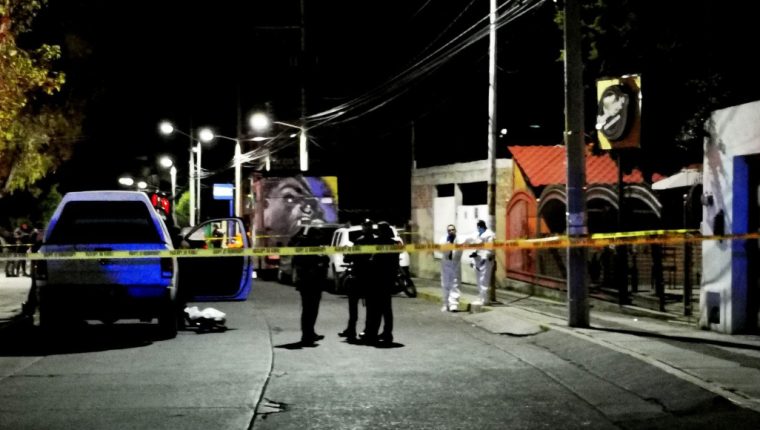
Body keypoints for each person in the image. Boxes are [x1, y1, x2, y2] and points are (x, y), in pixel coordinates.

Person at [361, 221, 399, 345]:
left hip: (377, 281)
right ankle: (387, 333)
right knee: (386, 309)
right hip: (387, 280)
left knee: (375, 309)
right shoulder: (394, 244)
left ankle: (373, 334)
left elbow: (373, 261)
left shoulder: (378, 243)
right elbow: (395, 264)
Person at [338, 218, 376, 342]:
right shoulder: (376, 241)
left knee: (353, 305)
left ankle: (352, 330)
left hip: (358, 276)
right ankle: (367, 330)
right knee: (370, 307)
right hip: (371, 277)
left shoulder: (359, 241)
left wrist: (347, 255)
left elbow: (349, 258)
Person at [292, 228, 329, 346]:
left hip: (314, 283)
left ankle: (310, 333)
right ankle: (306, 335)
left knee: (312, 310)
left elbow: (325, 260)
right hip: (308, 283)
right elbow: (298, 263)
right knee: (309, 310)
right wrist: (317, 263)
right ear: (314, 236)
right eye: (318, 237)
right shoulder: (304, 246)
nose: (320, 239)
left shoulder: (315, 246)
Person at [469, 219, 495, 305]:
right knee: (479, 280)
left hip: (485, 260)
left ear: (481, 227)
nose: (478, 229)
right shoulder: (477, 234)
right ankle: (481, 297)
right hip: (477, 259)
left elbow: (490, 249)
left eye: (479, 227)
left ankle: (485, 300)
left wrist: (484, 258)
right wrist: (473, 259)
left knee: (484, 280)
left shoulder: (489, 235)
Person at [440, 224, 463, 312]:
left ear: (455, 230)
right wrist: (448, 243)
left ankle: (453, 304)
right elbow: (443, 251)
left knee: (455, 284)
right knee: (445, 284)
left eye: (452, 229)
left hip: (455, 264)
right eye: (449, 230)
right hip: (446, 264)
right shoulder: (443, 239)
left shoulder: (459, 240)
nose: (451, 231)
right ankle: (446, 304)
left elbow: (458, 252)